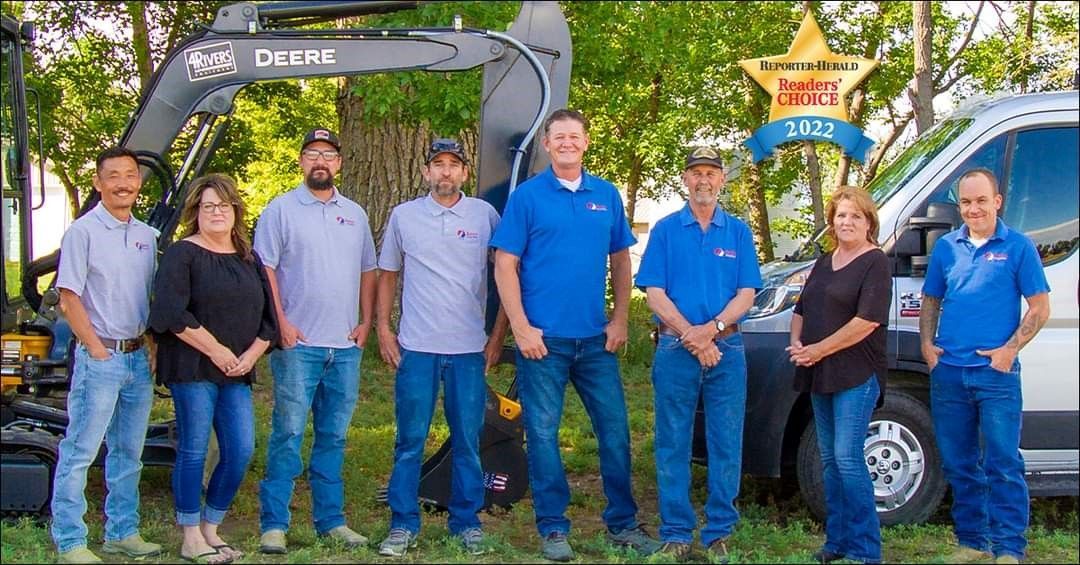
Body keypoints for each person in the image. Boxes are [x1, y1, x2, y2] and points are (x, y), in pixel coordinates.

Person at [491, 109, 659, 562]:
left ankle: (622, 524)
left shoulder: (605, 195)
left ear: (586, 143)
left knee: (615, 433)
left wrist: (620, 319)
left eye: (574, 136)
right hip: (542, 343)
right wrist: (521, 327)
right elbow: (504, 263)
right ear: (547, 145)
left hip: (595, 342)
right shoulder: (527, 197)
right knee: (543, 435)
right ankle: (553, 528)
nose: (566, 142)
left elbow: (621, 261)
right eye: (558, 136)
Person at [374, 138, 509, 557]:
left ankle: (466, 522)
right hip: (417, 348)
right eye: (438, 164)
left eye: (454, 165)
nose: (446, 172)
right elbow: (388, 273)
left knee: (468, 439)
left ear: (464, 173)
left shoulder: (485, 215)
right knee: (410, 438)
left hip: (469, 349)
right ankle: (402, 524)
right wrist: (383, 327)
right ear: (426, 172)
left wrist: (498, 335)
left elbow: (506, 273)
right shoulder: (405, 216)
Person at [254, 127, 378, 554]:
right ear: (301, 161)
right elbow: (265, 269)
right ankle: (274, 523)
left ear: (339, 163)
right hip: (299, 344)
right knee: (287, 433)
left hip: (345, 347)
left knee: (334, 436)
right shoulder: (280, 210)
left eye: (327, 154)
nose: (320, 161)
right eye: (312, 154)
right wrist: (280, 322)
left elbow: (368, 269)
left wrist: (366, 322)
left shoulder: (355, 214)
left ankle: (332, 521)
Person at [635, 147, 762, 562]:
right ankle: (675, 533)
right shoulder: (667, 230)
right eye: (696, 173)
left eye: (711, 173)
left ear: (722, 180)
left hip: (727, 350)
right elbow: (654, 291)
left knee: (727, 442)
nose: (703, 180)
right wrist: (693, 335)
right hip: (675, 348)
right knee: (672, 441)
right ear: (685, 180)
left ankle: (718, 533)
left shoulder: (738, 232)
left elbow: (747, 292)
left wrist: (712, 331)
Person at [920, 169, 1050, 565]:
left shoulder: (1019, 247)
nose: (973, 209)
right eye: (965, 202)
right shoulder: (945, 247)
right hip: (950, 374)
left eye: (980, 201)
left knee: (1003, 463)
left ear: (997, 201)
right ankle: (974, 542)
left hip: (996, 375)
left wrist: (1009, 350)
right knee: (960, 463)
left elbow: (1040, 308)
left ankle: (1009, 548)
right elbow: (930, 300)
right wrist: (927, 345)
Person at [149, 174, 277, 564]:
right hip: (192, 368)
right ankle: (190, 537)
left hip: (237, 371)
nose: (216, 212)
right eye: (208, 206)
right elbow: (170, 312)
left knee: (240, 450)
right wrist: (218, 350)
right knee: (193, 449)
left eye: (223, 205)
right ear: (196, 212)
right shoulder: (182, 254)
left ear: (235, 210)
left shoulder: (248, 258)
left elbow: (269, 321)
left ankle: (211, 528)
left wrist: (251, 355)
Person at [50, 147, 162, 564]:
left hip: (136, 359)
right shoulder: (83, 232)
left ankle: (122, 532)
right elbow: (69, 297)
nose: (123, 183)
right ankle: (70, 540)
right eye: (113, 176)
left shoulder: (146, 236)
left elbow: (149, 298)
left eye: (130, 175)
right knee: (81, 449)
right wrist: (96, 349)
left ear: (138, 182)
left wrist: (149, 345)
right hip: (101, 358)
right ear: (98, 183)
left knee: (129, 451)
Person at [786, 186, 890, 565]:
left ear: (868, 222)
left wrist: (817, 349)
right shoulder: (825, 262)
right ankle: (838, 541)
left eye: (855, 216)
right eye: (841, 216)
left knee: (847, 458)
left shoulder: (875, 262)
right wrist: (798, 343)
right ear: (832, 221)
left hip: (856, 374)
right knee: (829, 460)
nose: (846, 222)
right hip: (818, 373)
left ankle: (866, 550)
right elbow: (802, 307)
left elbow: (867, 322)